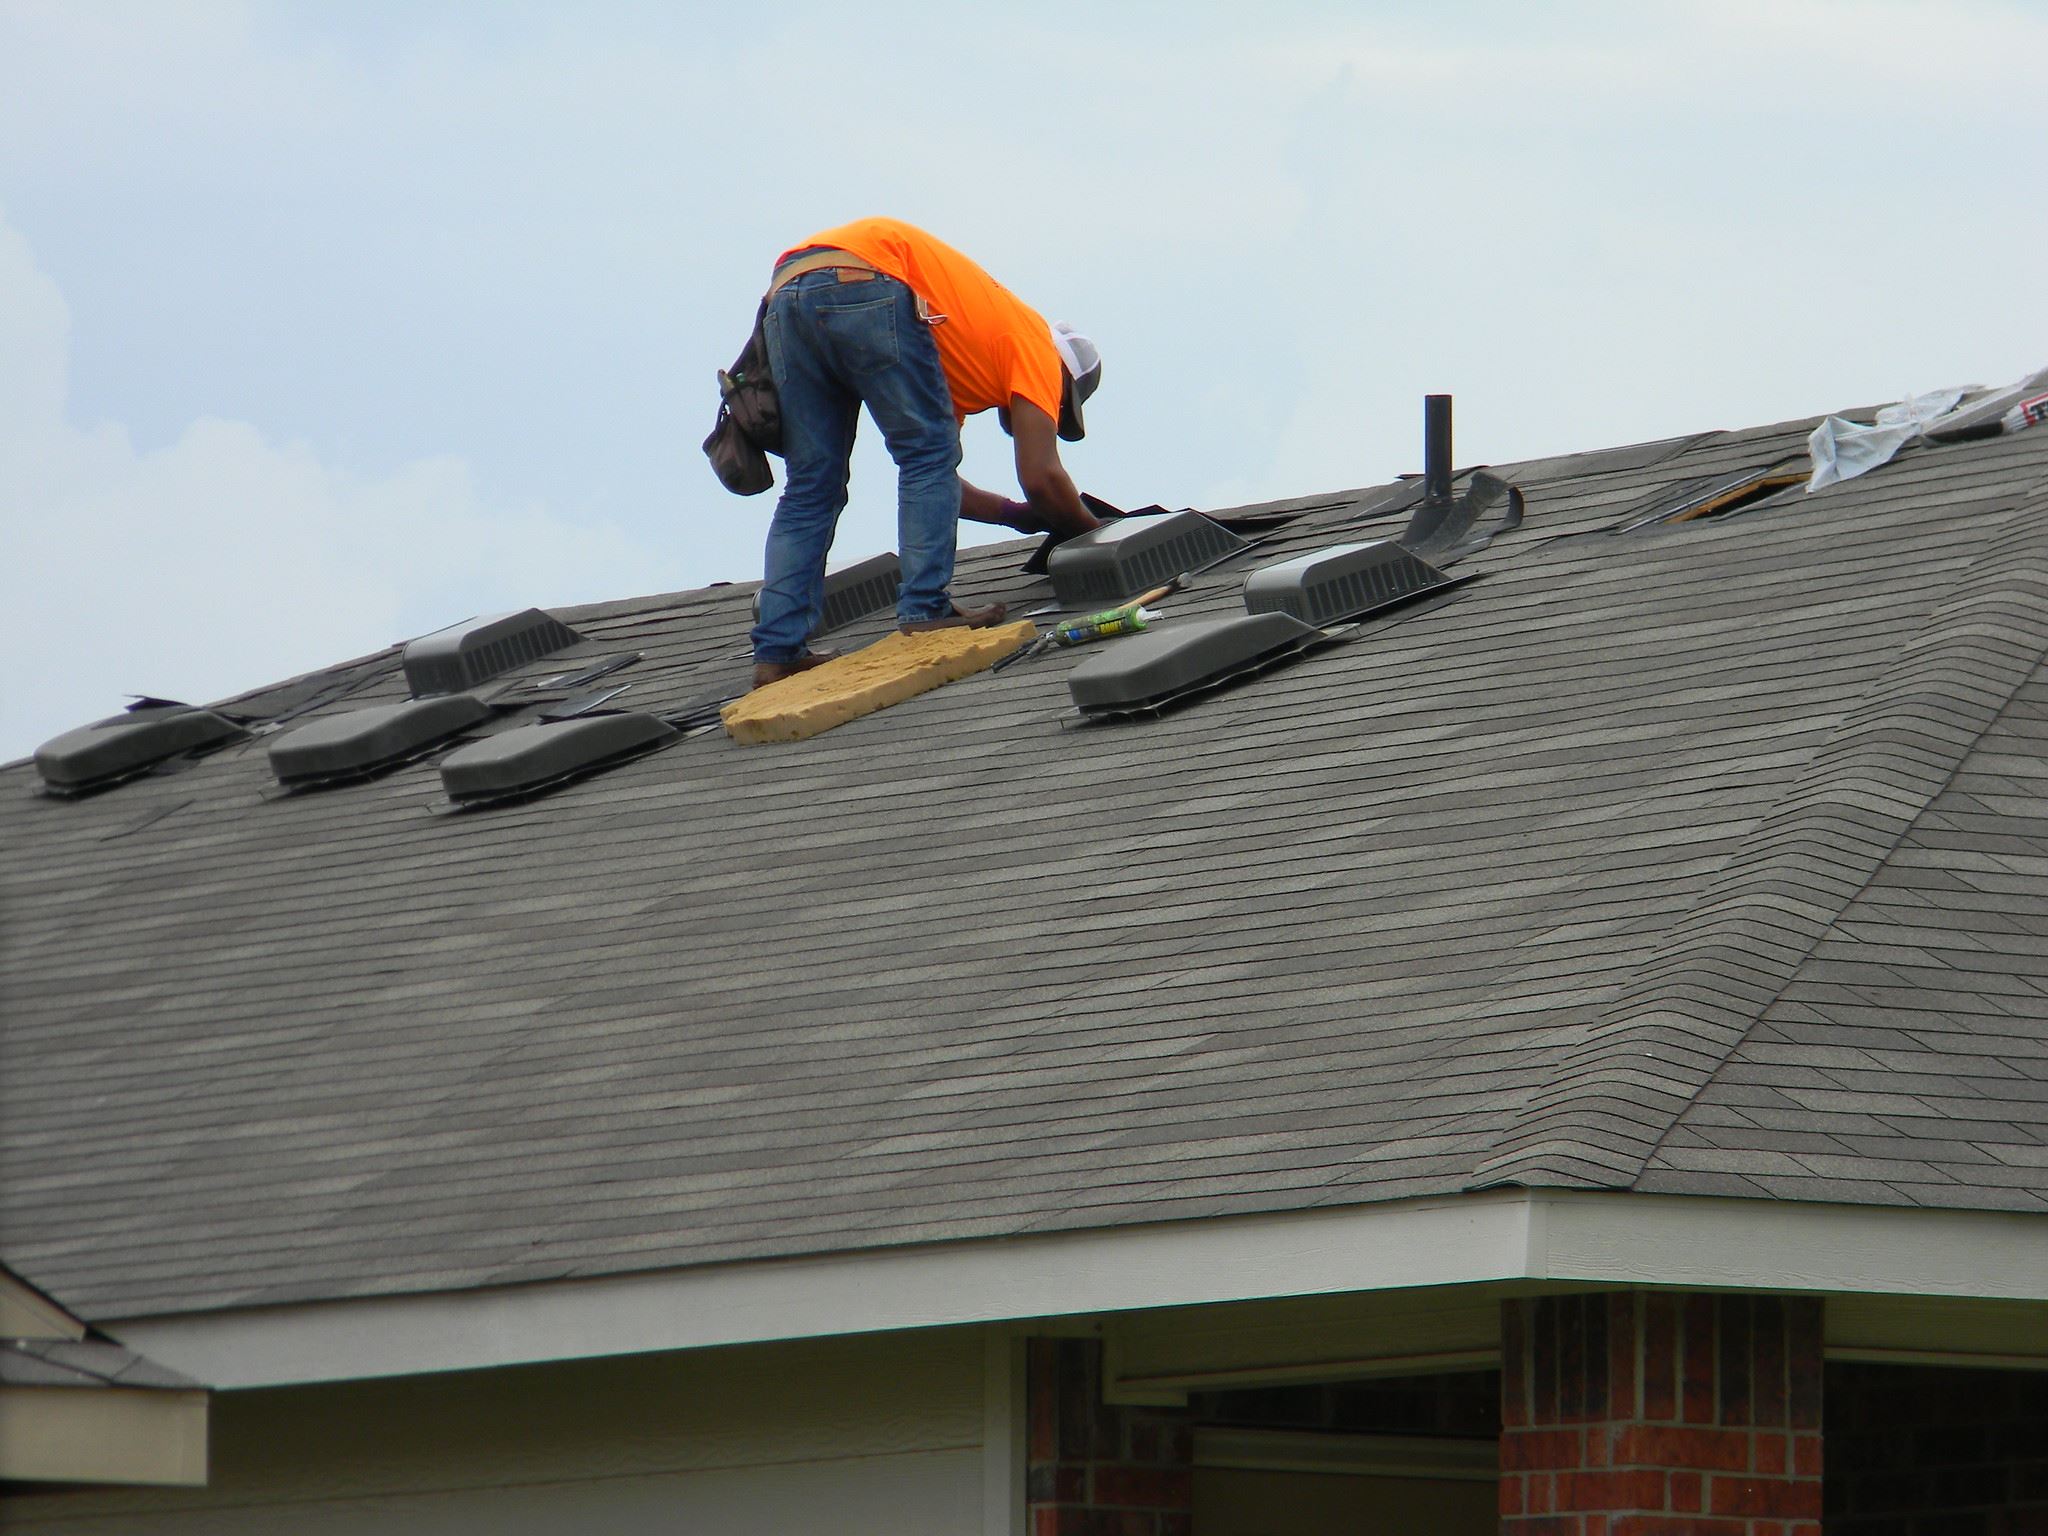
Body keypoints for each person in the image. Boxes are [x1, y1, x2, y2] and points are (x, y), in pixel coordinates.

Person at [748, 217, 1104, 687]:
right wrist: (1092, 533)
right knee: (924, 456)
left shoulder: (963, 358)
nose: (1050, 416)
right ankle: (925, 607)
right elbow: (1040, 475)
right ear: (1063, 380)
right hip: (866, 280)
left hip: (788, 290)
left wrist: (1015, 516)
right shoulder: (1037, 346)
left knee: (813, 484)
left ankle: (777, 653)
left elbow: (941, 483)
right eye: (1060, 408)